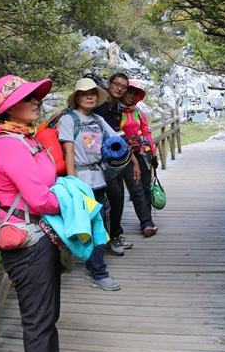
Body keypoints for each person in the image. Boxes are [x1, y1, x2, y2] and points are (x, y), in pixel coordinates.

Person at [0, 75, 89, 352]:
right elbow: (39, 198)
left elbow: (46, 184)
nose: (36, 101)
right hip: (26, 244)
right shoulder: (9, 144)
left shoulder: (26, 139)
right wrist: (75, 202)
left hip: (39, 238)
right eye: (27, 97)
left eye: (35, 96)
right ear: (8, 108)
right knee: (37, 319)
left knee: (49, 314)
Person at [58, 77, 122, 291]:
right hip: (81, 181)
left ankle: (92, 267)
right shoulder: (68, 119)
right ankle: (99, 273)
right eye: (85, 93)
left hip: (98, 179)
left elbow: (115, 141)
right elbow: (68, 151)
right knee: (93, 225)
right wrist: (72, 183)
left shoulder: (98, 120)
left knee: (98, 224)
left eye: (93, 93)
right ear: (77, 97)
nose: (90, 97)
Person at [92, 72, 139, 255]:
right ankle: (108, 238)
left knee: (118, 196)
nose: (120, 88)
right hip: (96, 161)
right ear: (108, 84)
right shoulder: (99, 107)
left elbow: (114, 134)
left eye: (124, 86)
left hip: (111, 160)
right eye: (117, 84)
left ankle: (114, 235)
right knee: (111, 198)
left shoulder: (116, 108)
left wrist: (131, 159)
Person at [119, 80, 159, 237]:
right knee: (136, 189)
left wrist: (153, 153)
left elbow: (146, 131)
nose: (131, 96)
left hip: (142, 152)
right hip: (126, 155)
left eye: (134, 94)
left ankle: (147, 220)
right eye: (129, 92)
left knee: (146, 187)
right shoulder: (116, 112)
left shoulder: (138, 112)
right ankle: (146, 223)